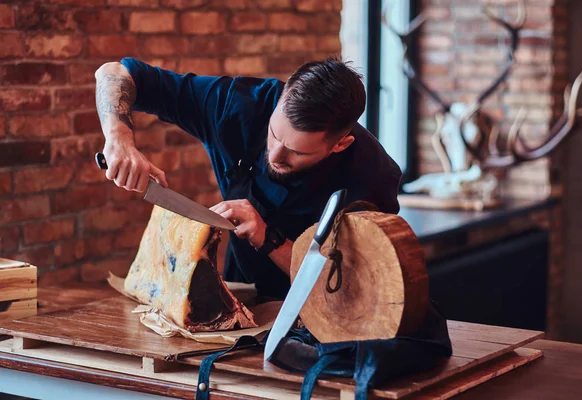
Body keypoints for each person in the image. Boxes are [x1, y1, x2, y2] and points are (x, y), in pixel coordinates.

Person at [94, 56, 402, 299]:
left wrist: (268, 238)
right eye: (274, 135)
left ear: (340, 145)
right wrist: (118, 137)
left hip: (323, 318)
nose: (276, 155)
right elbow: (114, 72)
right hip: (241, 297)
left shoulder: (372, 178)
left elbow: (349, 286)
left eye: (296, 152)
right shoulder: (238, 105)